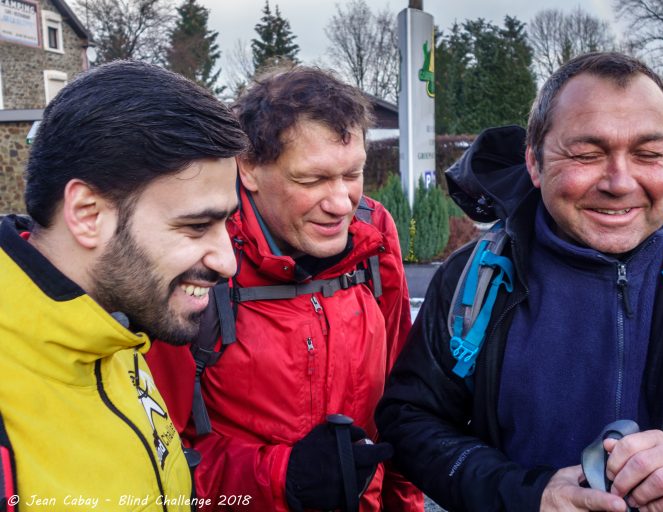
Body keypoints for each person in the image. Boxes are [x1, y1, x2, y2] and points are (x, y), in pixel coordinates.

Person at [376, 52, 663, 511]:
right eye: (586, 154)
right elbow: (410, 420)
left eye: (648, 154)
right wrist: (526, 496)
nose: (620, 182)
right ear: (535, 163)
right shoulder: (473, 279)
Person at [146, 66, 422, 511]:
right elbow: (157, 451)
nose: (340, 204)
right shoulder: (200, 259)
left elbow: (399, 402)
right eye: (311, 180)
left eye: (352, 174)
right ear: (249, 168)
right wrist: (282, 478)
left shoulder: (375, 236)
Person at [0, 60, 248, 510]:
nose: (227, 261)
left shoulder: (115, 328)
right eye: (196, 226)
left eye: (226, 222)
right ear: (88, 214)